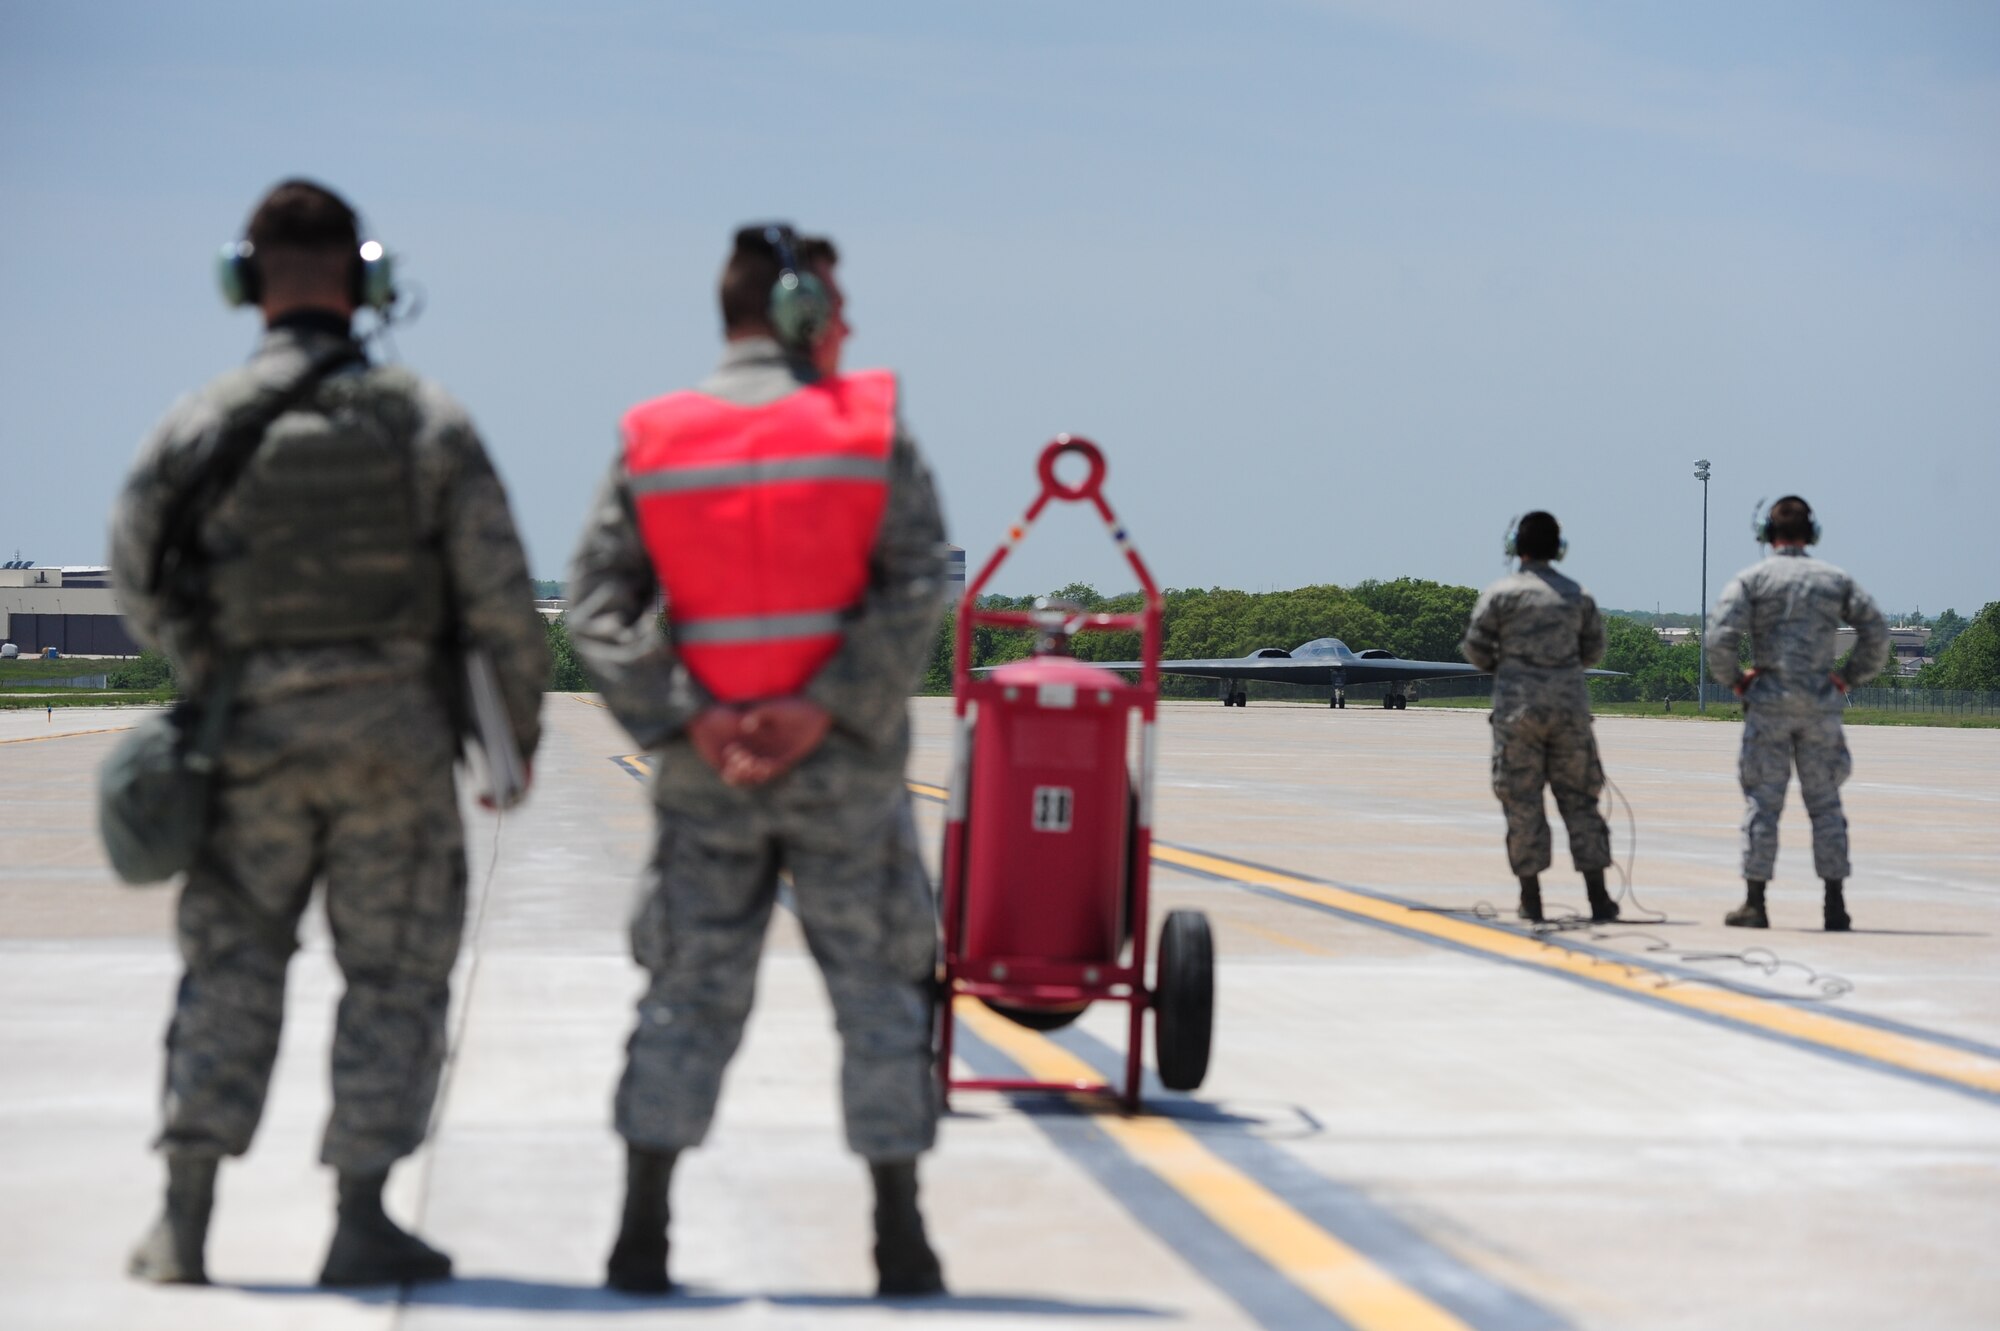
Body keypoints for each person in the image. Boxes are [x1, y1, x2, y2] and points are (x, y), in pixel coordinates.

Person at [109, 180, 548, 1286]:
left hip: (246, 746)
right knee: (394, 978)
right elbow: (498, 595)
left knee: (231, 966)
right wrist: (515, 741)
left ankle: (185, 1218)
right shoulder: (424, 419)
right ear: (366, 281)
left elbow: (135, 573)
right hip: (395, 753)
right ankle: (360, 1214)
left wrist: (213, 672)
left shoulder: (198, 423)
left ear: (245, 281)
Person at [567, 224, 949, 1297]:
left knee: (686, 991)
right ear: (796, 310)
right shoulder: (866, 428)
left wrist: (685, 711)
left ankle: (641, 1234)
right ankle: (899, 1239)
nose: (847, 325)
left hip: (707, 771)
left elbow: (598, 604)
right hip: (844, 772)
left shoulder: (657, 435)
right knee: (879, 988)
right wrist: (824, 706)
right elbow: (918, 579)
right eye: (834, 304)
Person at [1706, 496, 1887, 931]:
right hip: (1820, 700)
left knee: (1763, 804)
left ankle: (1755, 901)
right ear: (1813, 534)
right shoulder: (1833, 580)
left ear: (1768, 535)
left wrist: (1737, 681)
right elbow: (1876, 632)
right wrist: (1848, 676)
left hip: (1768, 700)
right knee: (1825, 804)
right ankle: (1834, 904)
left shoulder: (1753, 580)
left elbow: (1718, 638)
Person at [1461, 512, 1618, 924]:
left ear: (1516, 547)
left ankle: (1532, 898)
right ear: (1558, 549)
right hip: (1569, 711)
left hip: (1519, 712)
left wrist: (1512, 668)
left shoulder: (1501, 594)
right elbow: (1593, 651)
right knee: (1581, 800)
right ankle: (1599, 897)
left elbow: (1476, 648)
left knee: (1522, 801)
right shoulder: (1576, 595)